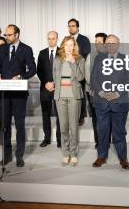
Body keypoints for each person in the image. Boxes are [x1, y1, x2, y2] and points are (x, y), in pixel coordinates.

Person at [0, 24, 36, 167]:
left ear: (17, 35)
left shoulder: (26, 49)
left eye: (9, 35)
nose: (6, 37)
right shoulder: (2, 49)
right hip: (4, 93)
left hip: (19, 94)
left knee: (19, 125)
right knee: (5, 126)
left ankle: (19, 155)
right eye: (5, 35)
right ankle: (6, 155)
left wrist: (21, 77)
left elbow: (33, 69)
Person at [89, 34, 129, 170]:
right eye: (108, 43)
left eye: (114, 43)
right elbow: (94, 78)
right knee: (102, 131)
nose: (111, 45)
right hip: (102, 102)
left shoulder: (126, 59)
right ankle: (101, 157)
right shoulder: (99, 58)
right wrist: (102, 93)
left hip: (119, 102)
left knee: (119, 132)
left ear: (118, 44)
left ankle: (123, 159)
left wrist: (116, 94)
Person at [51, 36, 85, 166]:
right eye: (67, 45)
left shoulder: (79, 59)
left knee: (74, 127)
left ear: (75, 46)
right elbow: (55, 77)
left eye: (72, 45)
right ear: (63, 46)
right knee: (63, 127)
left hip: (74, 96)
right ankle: (66, 154)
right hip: (60, 97)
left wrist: (73, 63)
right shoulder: (58, 59)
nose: (69, 48)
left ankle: (74, 154)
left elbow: (81, 77)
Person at [36, 31, 61, 148]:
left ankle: (60, 139)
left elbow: (65, 71)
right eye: (49, 38)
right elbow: (39, 70)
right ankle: (47, 138)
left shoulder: (63, 52)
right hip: (45, 88)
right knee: (45, 114)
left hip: (59, 88)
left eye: (53, 38)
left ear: (57, 39)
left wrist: (55, 83)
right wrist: (46, 83)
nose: (51, 41)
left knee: (60, 115)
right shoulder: (42, 53)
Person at [67, 18, 91, 126]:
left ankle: (81, 116)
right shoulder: (66, 39)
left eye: (73, 26)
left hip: (80, 71)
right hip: (68, 72)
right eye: (69, 26)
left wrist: (74, 61)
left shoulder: (84, 39)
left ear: (77, 27)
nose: (70, 27)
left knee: (80, 94)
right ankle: (72, 116)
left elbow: (86, 55)